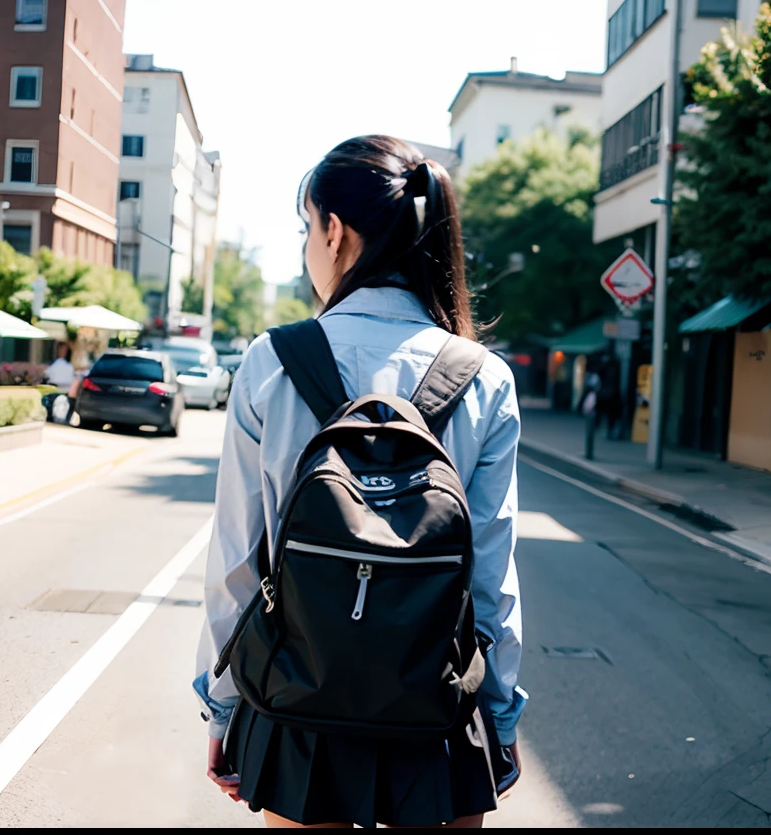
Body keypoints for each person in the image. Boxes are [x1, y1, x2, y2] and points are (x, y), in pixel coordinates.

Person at [194, 136, 525, 828]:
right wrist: (499, 712)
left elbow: (235, 557)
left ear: (336, 232)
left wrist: (223, 706)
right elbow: (490, 573)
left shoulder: (271, 363)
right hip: (436, 710)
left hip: (298, 700)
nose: (306, 249)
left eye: (305, 229)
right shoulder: (484, 377)